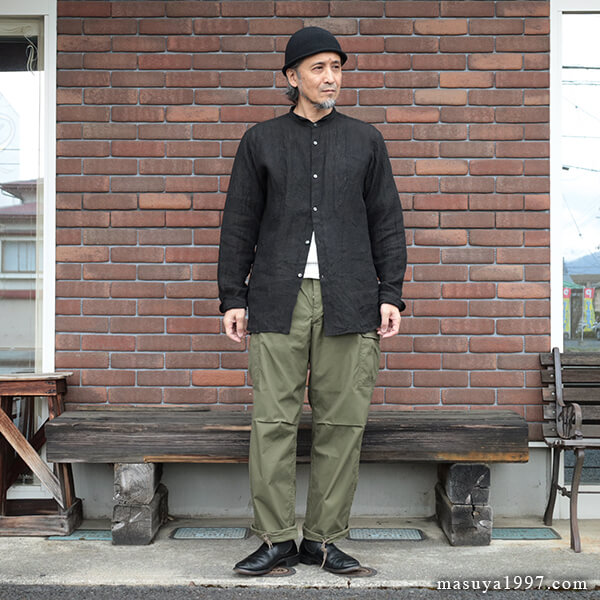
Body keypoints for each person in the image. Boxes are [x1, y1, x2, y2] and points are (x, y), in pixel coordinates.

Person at [217, 26, 407, 576]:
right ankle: (276, 540)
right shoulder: (260, 140)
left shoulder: (366, 141)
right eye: (319, 67)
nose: (331, 78)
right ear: (292, 76)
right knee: (271, 423)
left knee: (342, 424)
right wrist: (233, 296)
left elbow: (387, 222)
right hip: (277, 296)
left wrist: (390, 294)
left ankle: (324, 540)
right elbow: (239, 222)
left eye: (337, 68)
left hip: (351, 297)